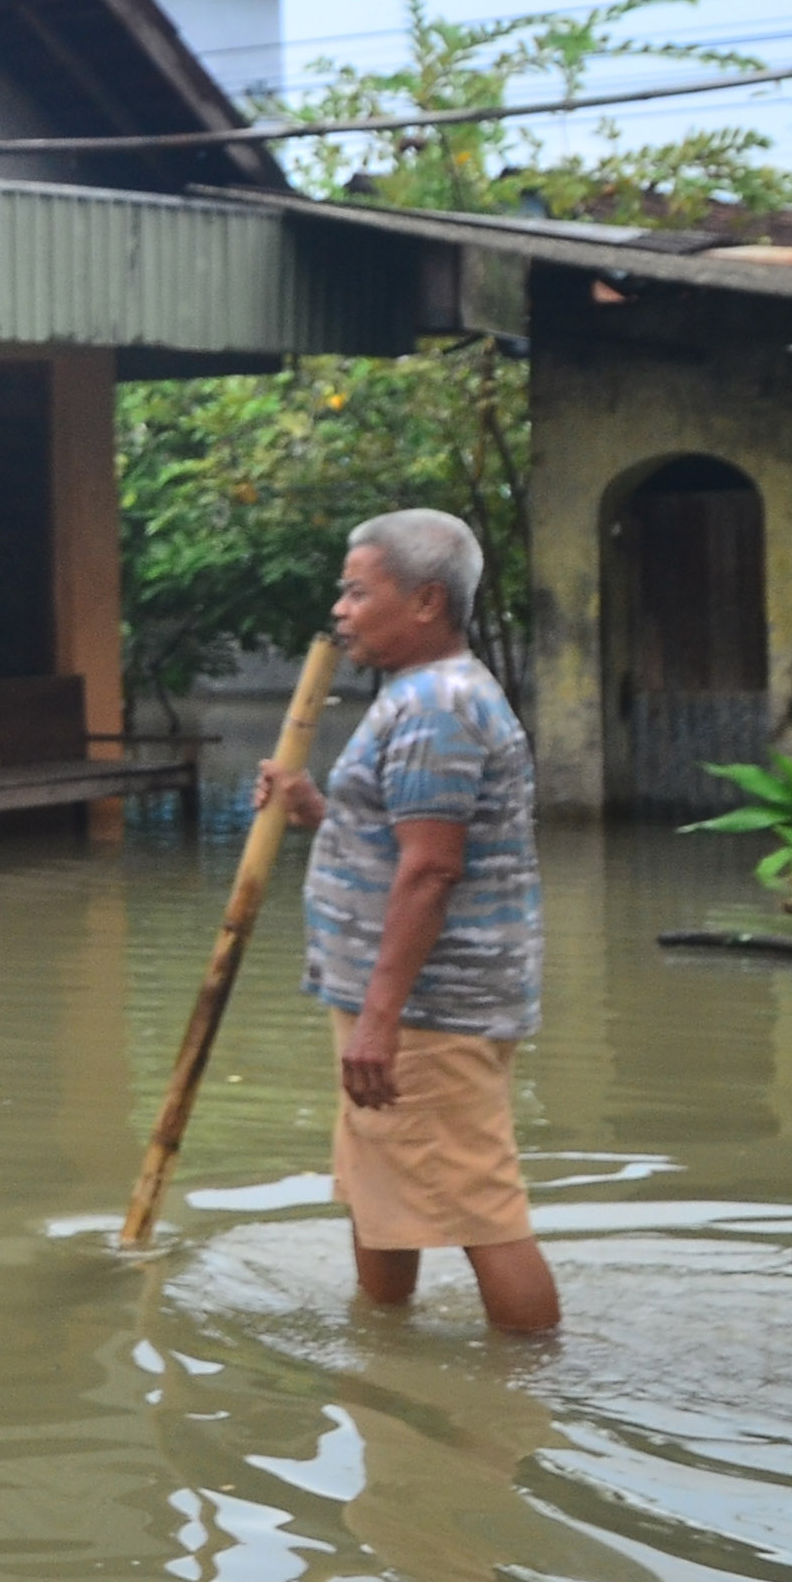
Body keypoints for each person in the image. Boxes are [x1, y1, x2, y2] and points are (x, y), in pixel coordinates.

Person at [256, 509, 558, 1336]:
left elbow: (432, 869)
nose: (342, 610)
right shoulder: (416, 697)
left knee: (477, 1209)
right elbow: (402, 840)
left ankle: (527, 1390)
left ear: (426, 601)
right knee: (382, 1190)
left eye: (358, 591)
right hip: (398, 1002)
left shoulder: (438, 705)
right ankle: (383, 1349)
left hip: (430, 1009)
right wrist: (316, 806)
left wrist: (382, 1019)